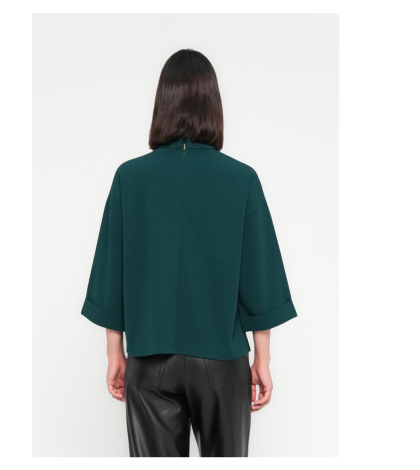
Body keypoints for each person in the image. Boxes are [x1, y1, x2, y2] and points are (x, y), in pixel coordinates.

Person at [81, 48, 298, 457]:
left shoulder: (129, 178)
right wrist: (263, 360)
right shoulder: (241, 179)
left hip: (149, 358)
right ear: (212, 104)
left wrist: (115, 353)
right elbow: (260, 278)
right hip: (222, 361)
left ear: (161, 103)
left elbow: (111, 274)